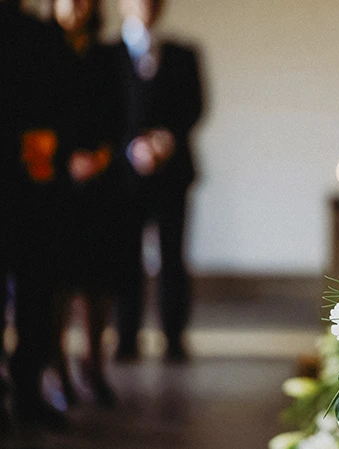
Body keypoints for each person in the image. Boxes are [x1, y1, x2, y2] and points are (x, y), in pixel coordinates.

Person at [112, 0, 203, 362]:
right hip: (124, 173)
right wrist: (130, 147)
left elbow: (196, 105)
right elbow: (104, 109)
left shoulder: (183, 53)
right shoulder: (109, 55)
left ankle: (174, 337)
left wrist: (166, 141)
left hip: (173, 172)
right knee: (124, 256)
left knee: (173, 256)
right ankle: (125, 338)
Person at [0, 0, 74, 429]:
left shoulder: (43, 37)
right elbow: (62, 110)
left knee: (35, 297)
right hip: (34, 186)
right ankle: (27, 395)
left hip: (33, 187)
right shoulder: (44, 36)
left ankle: (24, 394)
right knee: (34, 298)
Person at [53, 0, 124, 407]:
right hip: (55, 183)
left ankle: (94, 364)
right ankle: (57, 368)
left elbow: (121, 112)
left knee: (98, 281)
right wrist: (67, 159)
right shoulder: (42, 50)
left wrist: (100, 156)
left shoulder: (106, 54)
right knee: (58, 284)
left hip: (101, 182)